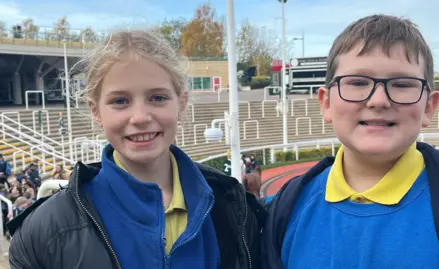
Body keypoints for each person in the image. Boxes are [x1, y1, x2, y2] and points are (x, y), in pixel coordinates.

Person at [8, 29, 265, 269]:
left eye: (158, 97)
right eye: (120, 101)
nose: (140, 117)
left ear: (181, 102)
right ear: (96, 110)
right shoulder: (45, 232)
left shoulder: (233, 208)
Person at [261, 14, 439, 269]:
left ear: (429, 107)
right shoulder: (283, 210)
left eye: (401, 84)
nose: (379, 100)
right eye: (357, 82)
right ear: (327, 103)